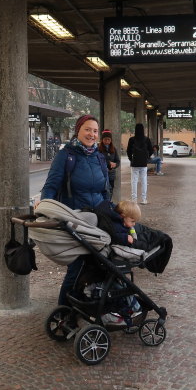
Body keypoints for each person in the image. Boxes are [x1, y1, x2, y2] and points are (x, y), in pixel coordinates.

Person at [40, 114, 110, 305]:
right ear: (78, 130)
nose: (92, 134)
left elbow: (105, 190)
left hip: (96, 221)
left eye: (95, 131)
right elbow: (51, 186)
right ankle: (64, 310)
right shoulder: (66, 155)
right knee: (77, 265)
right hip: (75, 220)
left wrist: (109, 212)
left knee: (100, 262)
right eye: (87, 129)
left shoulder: (99, 157)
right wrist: (44, 208)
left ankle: (88, 303)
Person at [126, 123, 153, 205]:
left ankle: (134, 200)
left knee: (134, 181)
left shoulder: (132, 139)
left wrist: (131, 159)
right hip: (143, 163)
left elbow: (128, 151)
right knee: (144, 181)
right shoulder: (146, 139)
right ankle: (144, 199)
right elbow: (151, 150)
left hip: (135, 164)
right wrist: (147, 158)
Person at [97, 129, 120, 200]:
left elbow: (118, 161)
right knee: (102, 191)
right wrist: (108, 163)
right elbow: (98, 160)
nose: (107, 141)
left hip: (111, 175)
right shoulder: (98, 149)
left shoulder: (113, 149)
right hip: (101, 175)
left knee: (110, 191)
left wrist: (115, 165)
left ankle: (108, 205)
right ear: (102, 139)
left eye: (109, 139)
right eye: (105, 139)